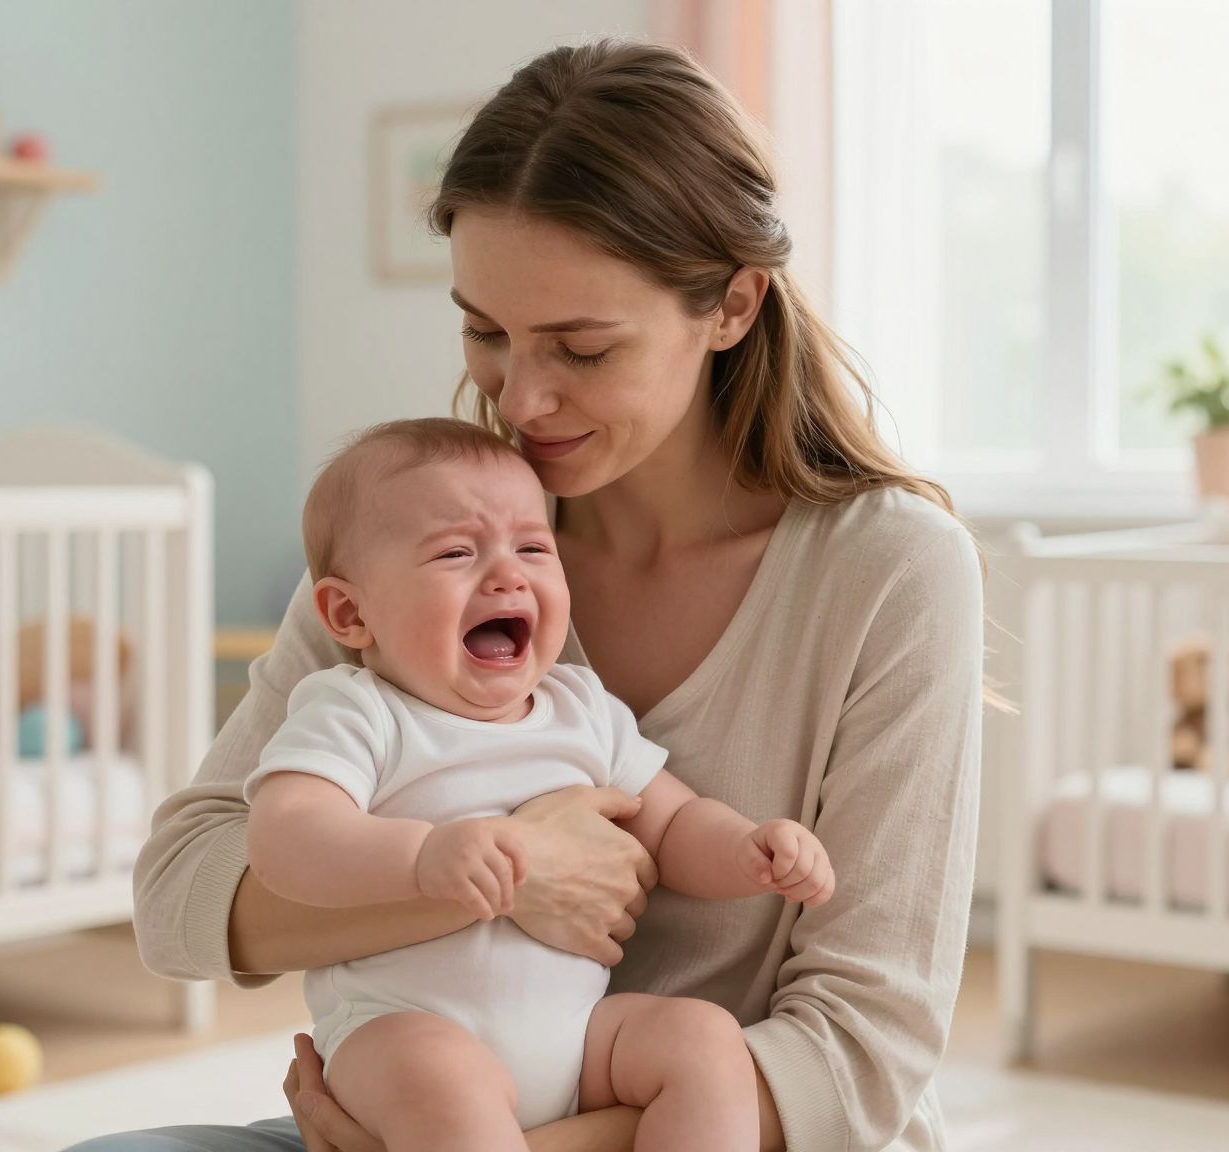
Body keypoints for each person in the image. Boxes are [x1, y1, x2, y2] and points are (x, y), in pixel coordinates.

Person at [69, 37, 981, 1152]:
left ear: (732, 306)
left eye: (583, 348)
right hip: (443, 1100)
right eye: (484, 333)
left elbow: (864, 1050)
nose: (525, 397)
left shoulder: (889, 568)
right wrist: (502, 876)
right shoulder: (412, 550)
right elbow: (178, 898)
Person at [245, 419, 832, 1150]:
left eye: (532, 548)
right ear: (350, 613)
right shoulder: (360, 711)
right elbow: (284, 835)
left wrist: (750, 848)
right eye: (456, 553)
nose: (506, 575)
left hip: (576, 1043)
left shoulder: (581, 707)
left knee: (704, 1040)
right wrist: (421, 860)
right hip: (403, 1033)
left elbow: (673, 823)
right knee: (445, 1087)